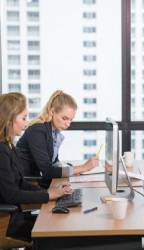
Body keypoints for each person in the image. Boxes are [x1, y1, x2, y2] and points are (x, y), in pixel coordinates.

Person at [0, 92, 72, 242]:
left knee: (61, 222)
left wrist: (49, 192)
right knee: (60, 230)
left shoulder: (8, 146)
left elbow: (20, 182)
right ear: (9, 119)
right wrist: (47, 195)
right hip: (7, 222)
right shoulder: (1, 151)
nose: (26, 123)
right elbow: (11, 195)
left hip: (16, 215)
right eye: (23, 118)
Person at [17, 90, 98, 187]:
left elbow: (54, 162)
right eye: (64, 118)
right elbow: (48, 170)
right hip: (25, 184)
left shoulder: (53, 132)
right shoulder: (37, 130)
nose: (68, 124)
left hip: (36, 182)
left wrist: (72, 170)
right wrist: (83, 167)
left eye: (70, 120)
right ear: (52, 112)